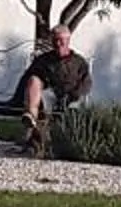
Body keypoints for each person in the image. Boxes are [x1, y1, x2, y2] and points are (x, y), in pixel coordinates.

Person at [14, 25, 90, 153]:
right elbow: (27, 79)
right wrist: (17, 98)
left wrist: (72, 96)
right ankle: (31, 119)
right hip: (46, 95)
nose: (58, 43)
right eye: (54, 40)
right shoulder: (43, 60)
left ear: (68, 40)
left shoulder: (79, 62)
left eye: (61, 40)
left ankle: (40, 144)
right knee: (35, 81)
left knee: (55, 104)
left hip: (70, 97)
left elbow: (86, 84)